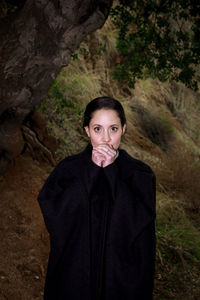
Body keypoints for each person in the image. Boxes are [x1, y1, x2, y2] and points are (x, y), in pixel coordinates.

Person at [37, 96, 156, 300]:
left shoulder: (140, 173)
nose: (106, 138)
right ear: (87, 131)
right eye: (98, 129)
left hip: (120, 280)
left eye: (114, 129)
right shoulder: (69, 169)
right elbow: (56, 215)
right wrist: (92, 172)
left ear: (124, 129)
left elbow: (140, 225)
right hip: (73, 277)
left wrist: (111, 173)